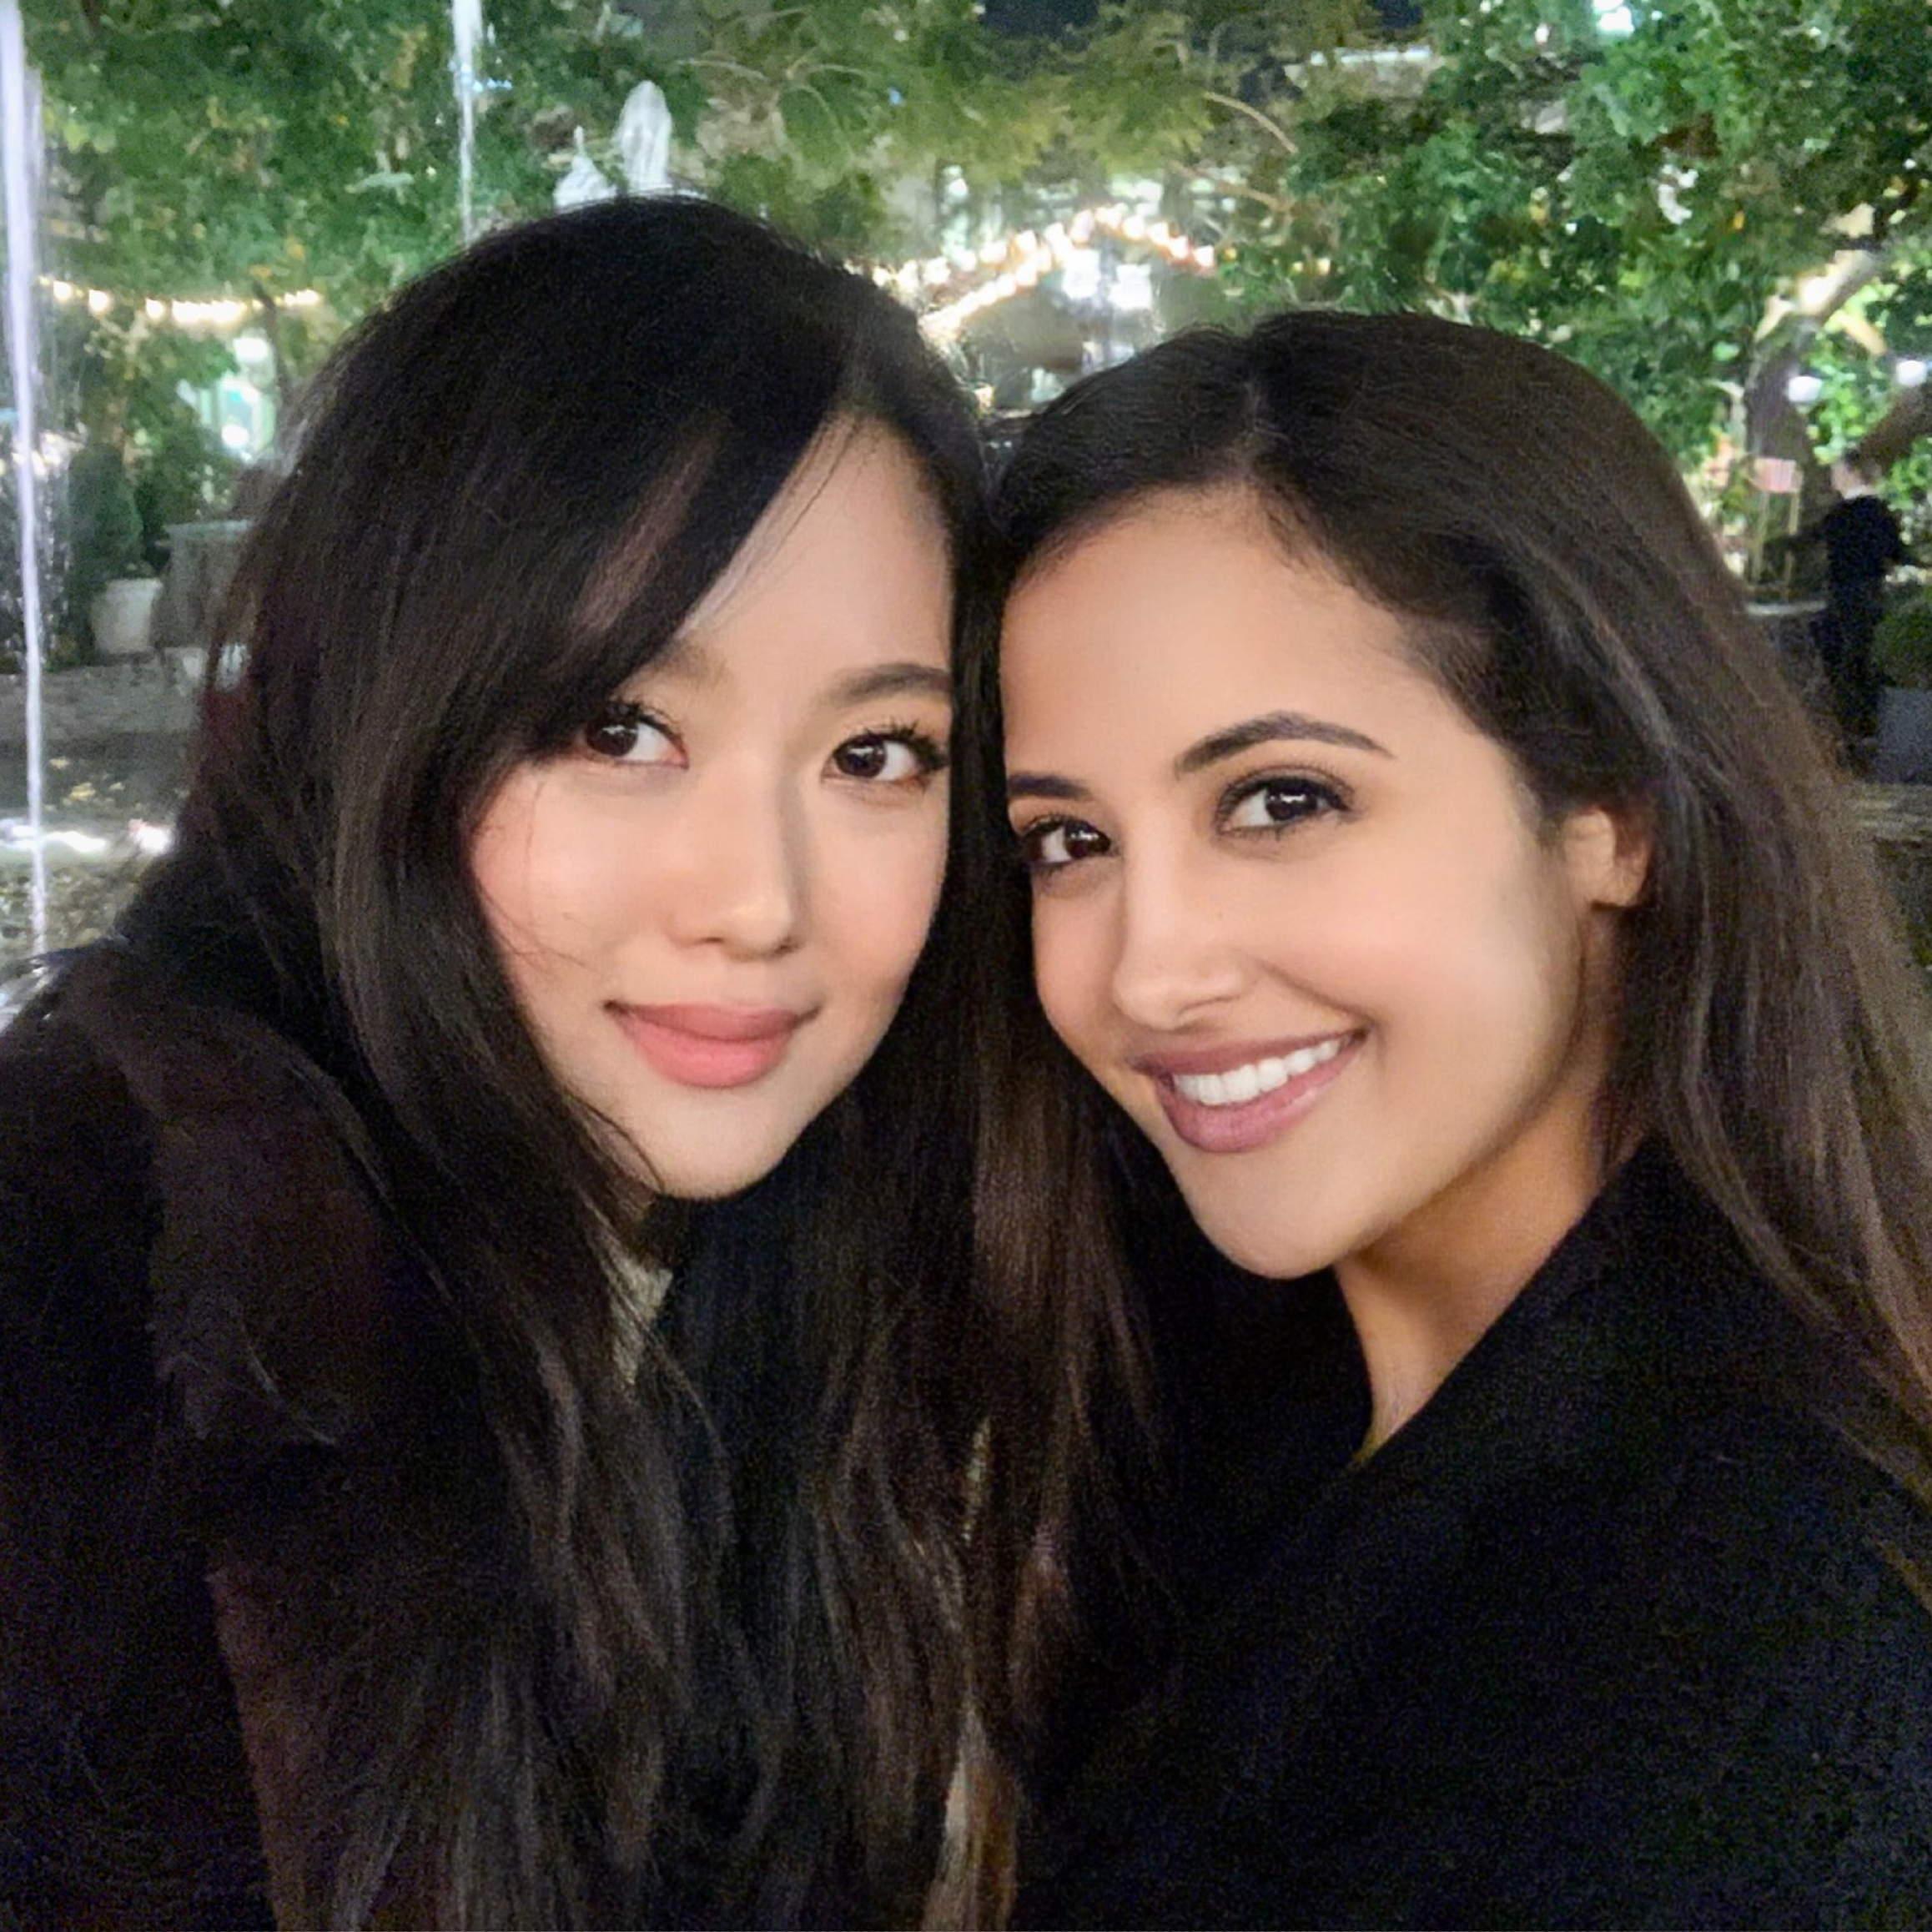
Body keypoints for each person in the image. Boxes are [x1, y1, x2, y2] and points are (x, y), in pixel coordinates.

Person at [0, 199, 990, 1929]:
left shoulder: (845, 1273)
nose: (761, 903)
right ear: (390, 710)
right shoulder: (86, 1272)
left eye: (877, 753)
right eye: (622, 727)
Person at [957, 312, 1932, 1928]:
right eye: (1070, 842)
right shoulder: (1247, 1387)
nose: (1147, 970)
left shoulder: (1739, 1659)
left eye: (1282, 800)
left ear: (1615, 810)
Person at [1804, 455, 1908, 747]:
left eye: (1837, 471)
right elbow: (1897, 552)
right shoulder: (1878, 512)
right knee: (1855, 655)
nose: (1833, 477)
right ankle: (1862, 725)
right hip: (1866, 592)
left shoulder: (1846, 514)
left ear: (1852, 473)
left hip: (1850, 593)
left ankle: (1855, 725)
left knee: (1847, 658)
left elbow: (1816, 541)